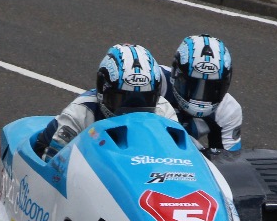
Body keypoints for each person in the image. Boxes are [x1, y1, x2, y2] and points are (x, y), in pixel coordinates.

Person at [35, 43, 177, 160]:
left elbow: (177, 157)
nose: (132, 111)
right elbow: (51, 165)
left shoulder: (164, 111)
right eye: (122, 100)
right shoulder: (80, 113)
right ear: (102, 90)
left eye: (144, 100)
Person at [162, 35, 242, 152]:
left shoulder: (229, 110)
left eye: (212, 87)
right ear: (175, 73)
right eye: (192, 84)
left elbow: (228, 159)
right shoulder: (156, 83)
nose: (200, 96)